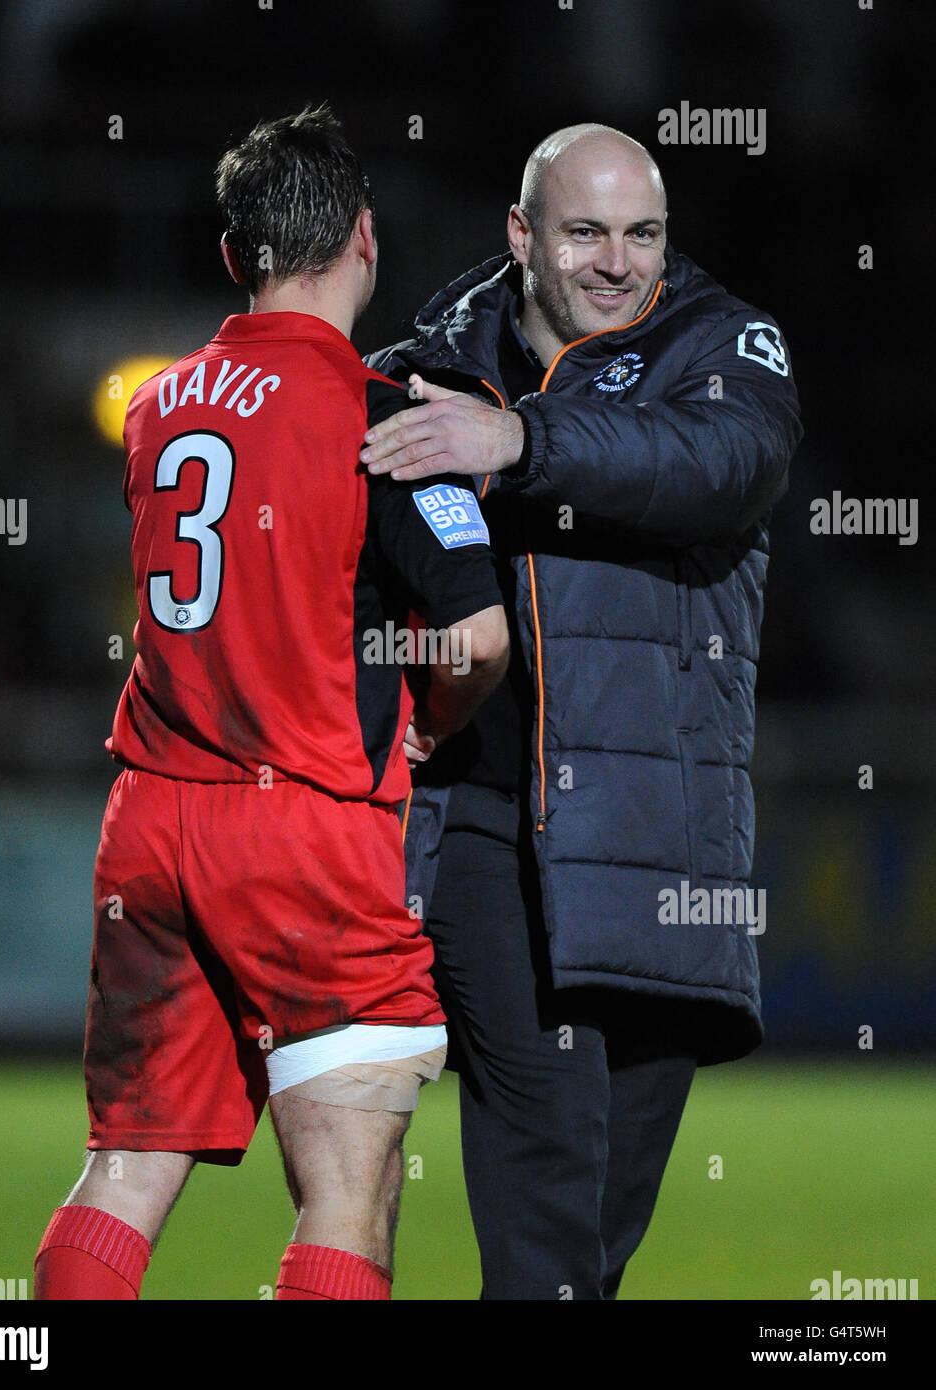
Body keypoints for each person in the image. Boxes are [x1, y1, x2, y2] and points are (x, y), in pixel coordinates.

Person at [33, 105, 508, 1302]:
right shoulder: (378, 416)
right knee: (350, 1183)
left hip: (150, 820)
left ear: (232, 253)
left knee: (124, 1170)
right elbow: (480, 635)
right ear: (364, 237)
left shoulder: (159, 404)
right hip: (303, 829)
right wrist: (434, 715)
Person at [363, 122, 803, 1300]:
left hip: (660, 837)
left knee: (593, 1237)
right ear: (521, 235)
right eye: (585, 231)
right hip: (486, 831)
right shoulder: (432, 365)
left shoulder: (720, 345)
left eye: (642, 232)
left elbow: (720, 461)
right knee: (549, 1177)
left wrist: (519, 438)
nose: (617, 262)